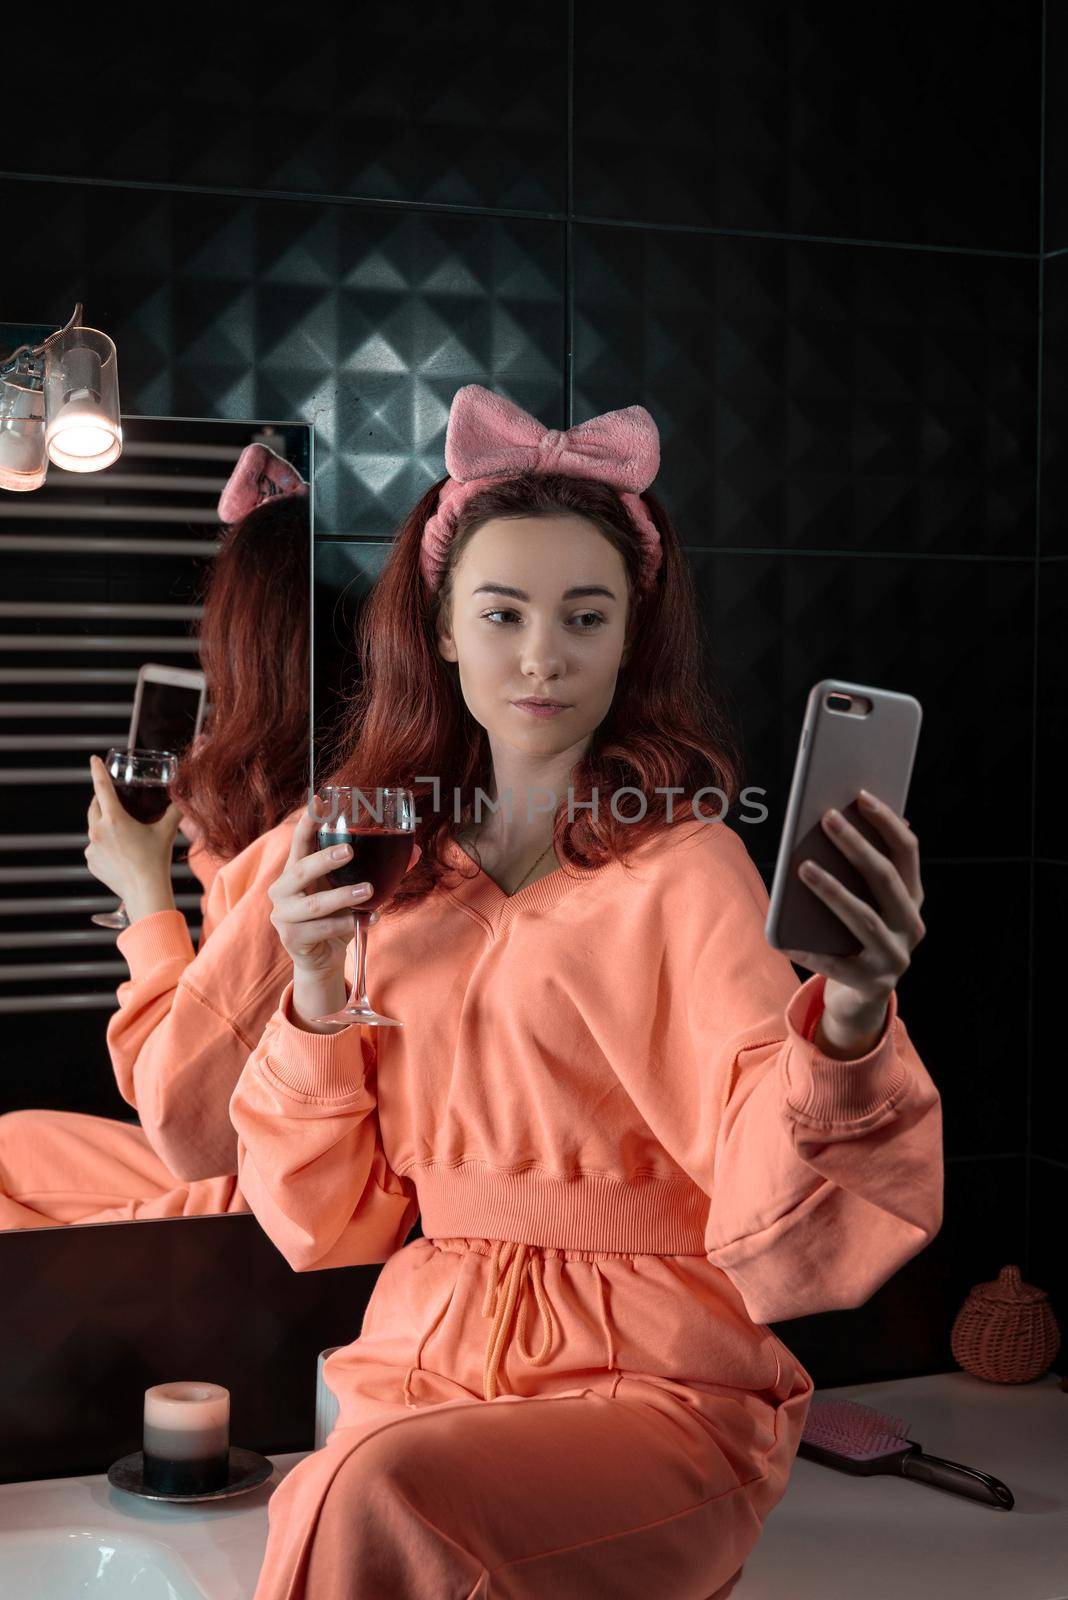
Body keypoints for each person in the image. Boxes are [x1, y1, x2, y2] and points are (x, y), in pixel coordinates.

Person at [227, 385, 943, 1599]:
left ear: (630, 636)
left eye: (586, 615)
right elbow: (328, 1221)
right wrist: (309, 990)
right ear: (444, 629)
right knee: (354, 1482)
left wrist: (856, 1010)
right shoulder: (395, 873)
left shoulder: (685, 866)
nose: (544, 654)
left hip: (659, 1386)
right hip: (428, 1371)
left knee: (373, 1494)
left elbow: (789, 1222)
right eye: (502, 613)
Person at [0, 445, 365, 1228]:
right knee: (9, 1148)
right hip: (242, 1144)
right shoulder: (297, 813)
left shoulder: (312, 839)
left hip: (273, 1185)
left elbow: (183, 1120)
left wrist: (146, 899)